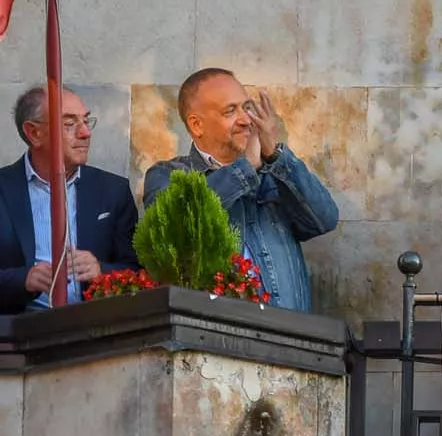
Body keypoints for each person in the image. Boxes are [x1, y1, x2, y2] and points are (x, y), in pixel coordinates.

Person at [143, 68, 339, 312]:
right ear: (197, 125)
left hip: (286, 339)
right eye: (230, 111)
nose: (246, 120)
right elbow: (175, 230)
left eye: (247, 107)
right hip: (212, 343)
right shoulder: (167, 175)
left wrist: (275, 156)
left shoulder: (274, 171)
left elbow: (325, 219)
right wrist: (245, 169)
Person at [0, 86, 139, 313]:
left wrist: (101, 271)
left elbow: (140, 272)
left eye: (86, 121)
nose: (85, 133)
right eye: (69, 124)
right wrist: (23, 279)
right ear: (34, 133)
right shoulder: (4, 188)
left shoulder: (113, 191)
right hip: (16, 334)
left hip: (94, 331)